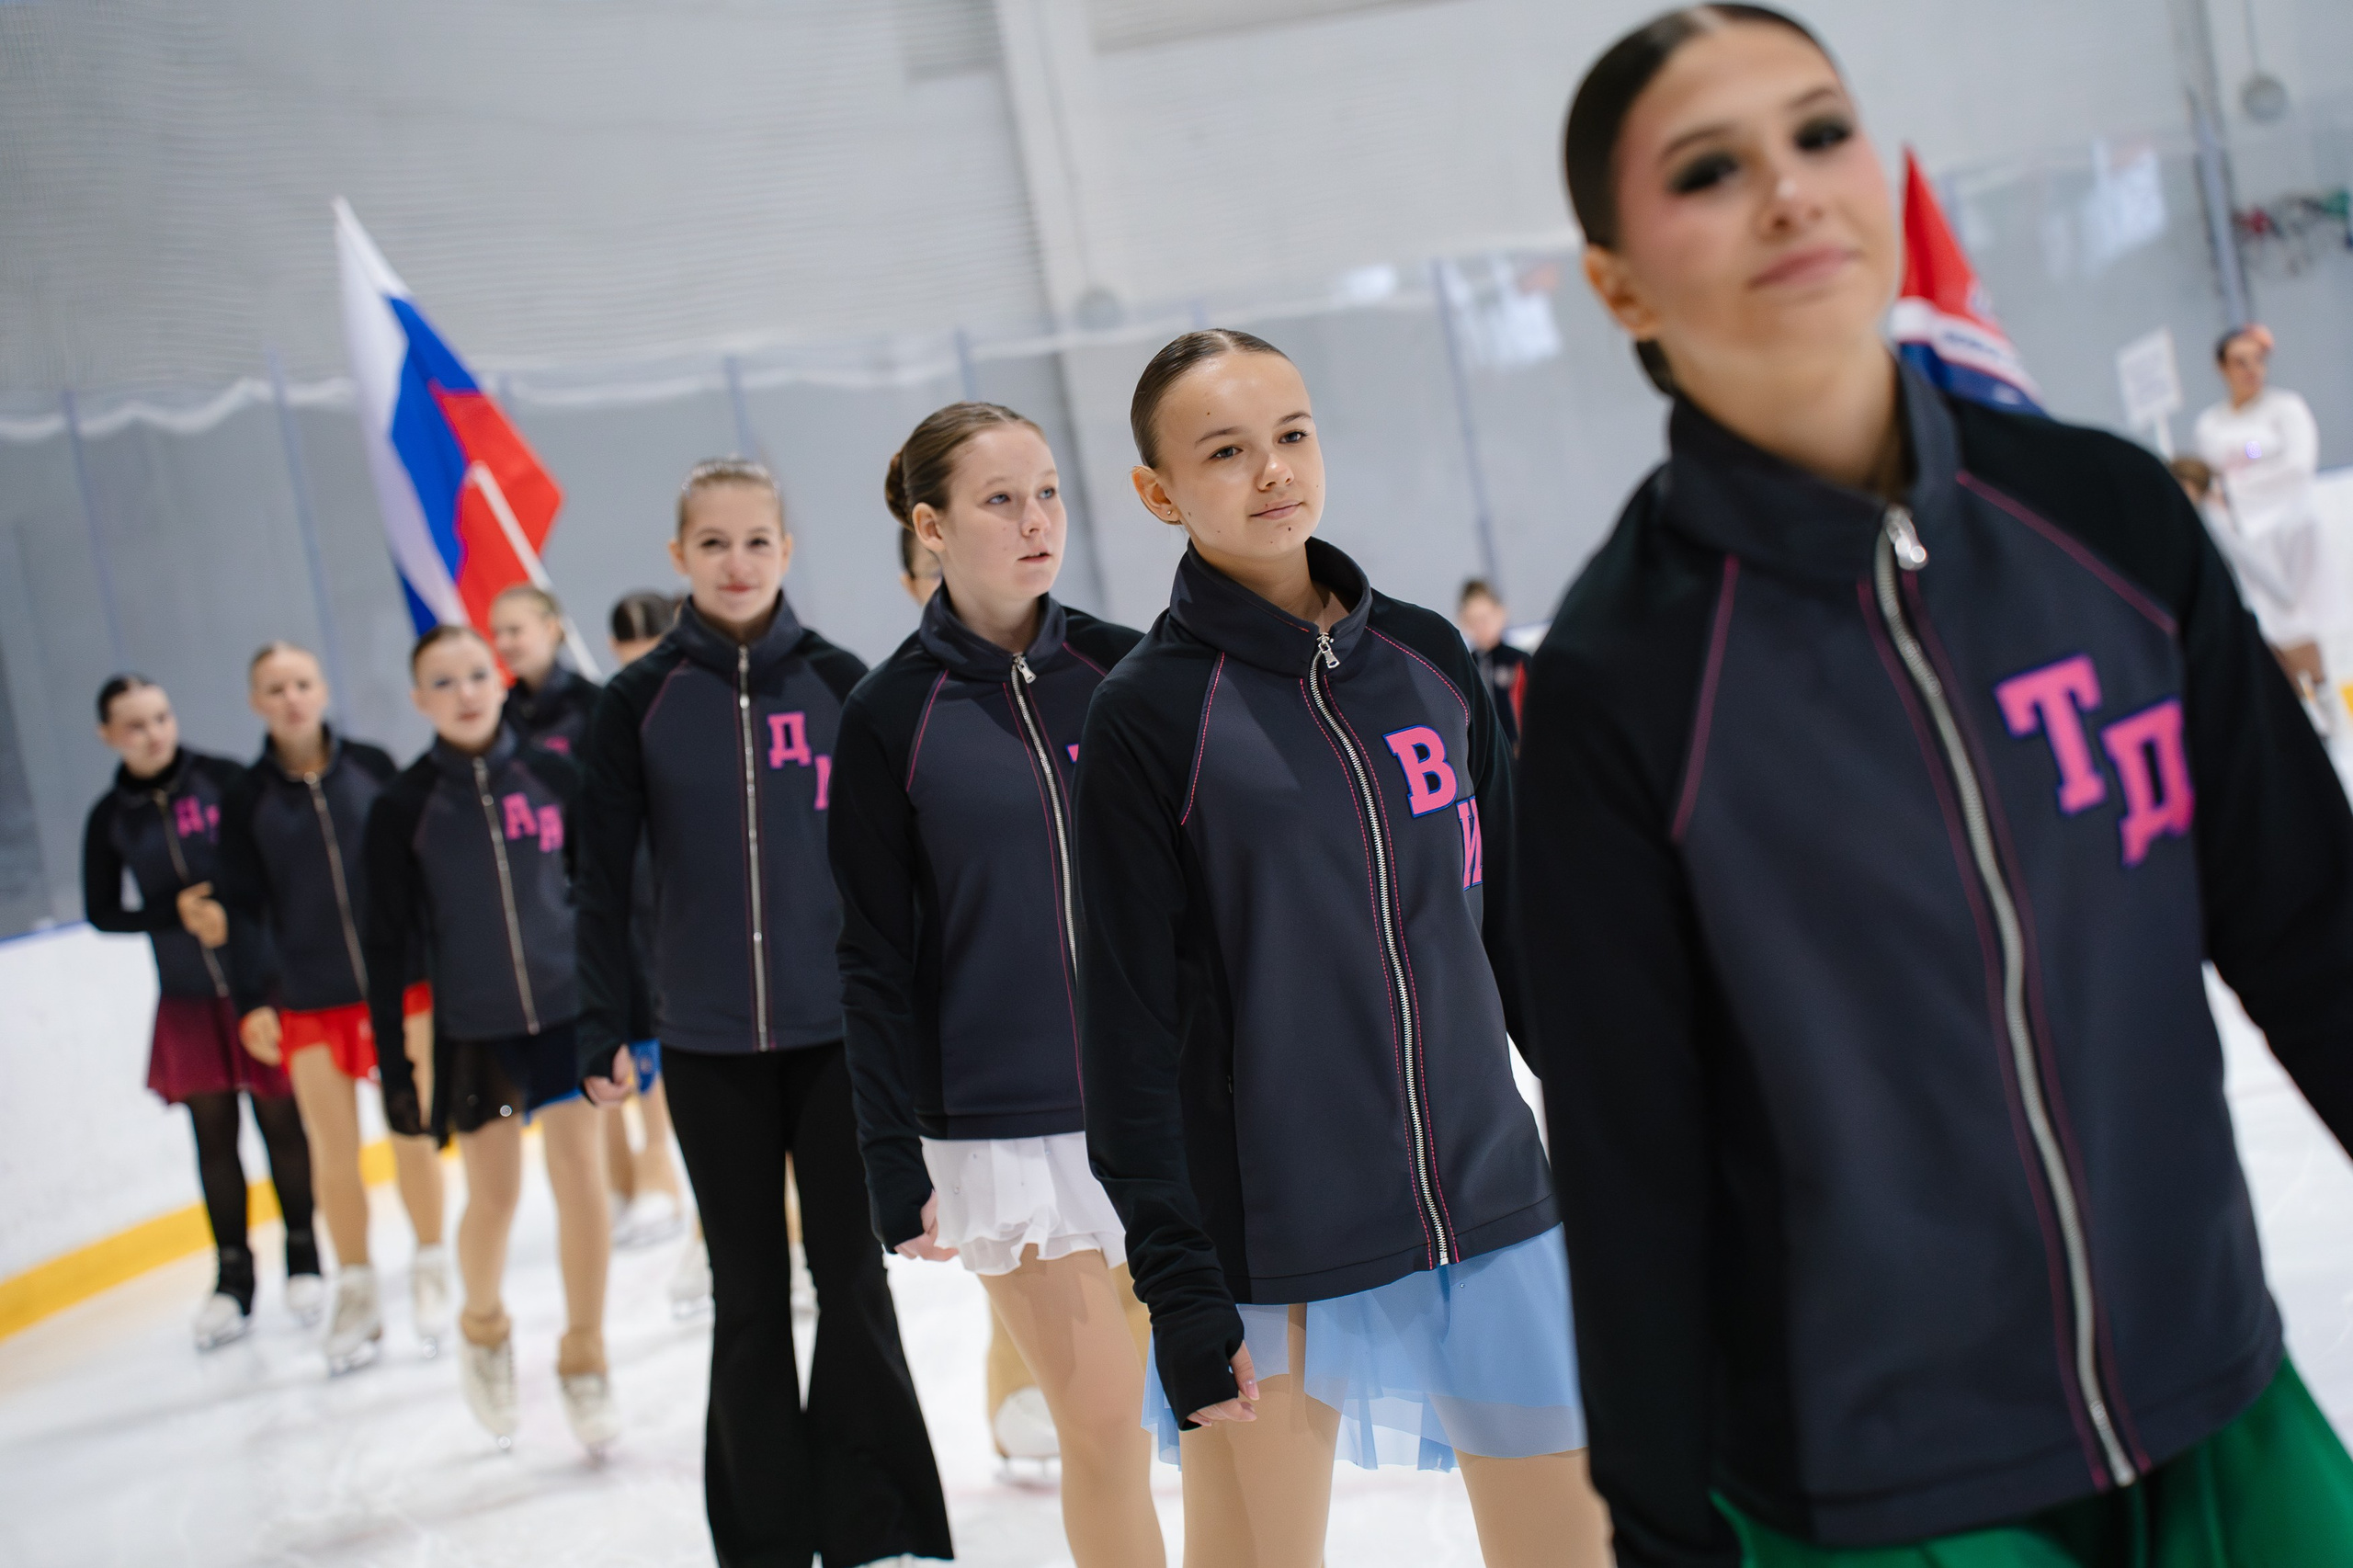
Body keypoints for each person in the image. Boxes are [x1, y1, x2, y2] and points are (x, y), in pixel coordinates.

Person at [1522, 9, 2353, 1567]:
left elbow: (2313, 921)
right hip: (1883, 1491)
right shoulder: (1621, 679)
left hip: (2214, 1400)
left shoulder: (2105, 519)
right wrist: (1656, 1520)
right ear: (1618, 281)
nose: (1789, 190)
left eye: (1821, 133)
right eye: (1711, 169)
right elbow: (1634, 1155)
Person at [1075, 329, 1610, 1568]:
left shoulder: (1429, 660)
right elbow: (1128, 1027)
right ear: (1160, 493)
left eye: (1292, 434)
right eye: (1225, 451)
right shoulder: (1152, 713)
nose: (1272, 470)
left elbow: (1521, 931)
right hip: (1268, 1235)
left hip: (1487, 1196)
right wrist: (1176, 1274)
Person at [574, 459, 950, 1568]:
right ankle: (766, 1537)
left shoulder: (848, 685)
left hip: (838, 1041)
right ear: (679, 557)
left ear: (786, 552)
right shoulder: (635, 705)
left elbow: (902, 873)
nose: (736, 562)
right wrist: (607, 1019)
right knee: (747, 1294)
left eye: (756, 541)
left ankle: (873, 1523)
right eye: (713, 543)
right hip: (705, 1048)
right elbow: (602, 880)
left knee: (851, 1275)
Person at [832, 402, 1160, 1562]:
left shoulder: (1131, 668)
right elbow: (870, 952)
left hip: (1166, 1103)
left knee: (1214, 1412)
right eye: (1000, 499)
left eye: (1050, 492)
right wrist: (887, 1152)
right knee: (1109, 1428)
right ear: (930, 525)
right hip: (1005, 1131)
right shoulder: (885, 717)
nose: (1037, 522)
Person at [362, 624, 618, 1454]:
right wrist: (397, 1066)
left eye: (477, 674)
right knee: (496, 1196)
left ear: (501, 680)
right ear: (419, 701)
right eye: (445, 682)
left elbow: (604, 901)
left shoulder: (553, 776)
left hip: (566, 1015)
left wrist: (619, 1013)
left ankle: (585, 1352)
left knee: (581, 1177)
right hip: (474, 1032)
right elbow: (384, 946)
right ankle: (483, 1325)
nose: (466, 691)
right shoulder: (402, 809)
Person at [215, 642, 450, 1374]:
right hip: (308, 995)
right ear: (256, 702)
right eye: (275, 688)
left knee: (413, 1129)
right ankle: (355, 1286)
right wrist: (252, 995)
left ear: (324, 690)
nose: (291, 698)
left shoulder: (373, 768)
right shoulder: (246, 799)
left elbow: (416, 872)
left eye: (303, 683)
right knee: (331, 1149)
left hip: (399, 984)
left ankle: (433, 1267)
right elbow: (242, 909)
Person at [82, 675, 320, 1350]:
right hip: (187, 1000)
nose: (153, 734)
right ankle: (232, 1278)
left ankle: (304, 1258)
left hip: (258, 983)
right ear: (108, 736)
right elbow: (102, 910)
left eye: (160, 717)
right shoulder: (111, 818)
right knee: (213, 1139)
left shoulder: (225, 781)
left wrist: (233, 912)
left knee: (282, 1122)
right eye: (135, 726)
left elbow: (274, 866)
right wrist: (173, 915)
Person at [595, 590, 689, 1256]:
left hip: (687, 910)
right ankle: (633, 1180)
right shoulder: (610, 714)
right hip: (628, 906)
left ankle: (661, 1170)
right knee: (636, 1042)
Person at [2192, 325, 2335, 704]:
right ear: (2222, 368)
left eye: (2257, 361)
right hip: (2246, 541)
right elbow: (2210, 479)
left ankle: (2324, 698)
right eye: (2240, 362)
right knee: (2266, 625)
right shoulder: (2211, 424)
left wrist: (2238, 485)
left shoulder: (2286, 409)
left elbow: (2298, 466)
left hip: (2293, 530)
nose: (2251, 370)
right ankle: (2298, 709)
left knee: (2299, 619)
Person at [490, 584, 599, 756]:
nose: (502, 644)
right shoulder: (498, 713)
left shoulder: (591, 701)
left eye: (514, 631)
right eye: (496, 634)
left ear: (550, 628)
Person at [1458, 579, 1530, 753]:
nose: (1481, 627)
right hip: (1490, 760)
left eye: (1485, 618)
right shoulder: (1466, 667)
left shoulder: (1519, 661)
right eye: (1474, 620)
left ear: (1501, 614)